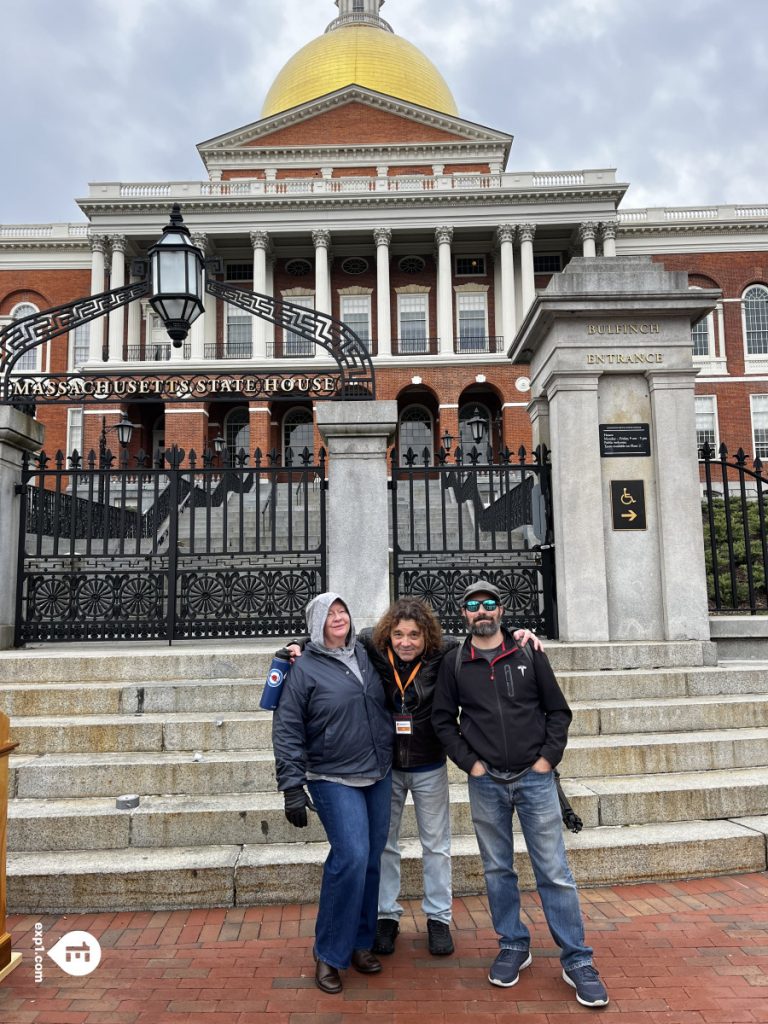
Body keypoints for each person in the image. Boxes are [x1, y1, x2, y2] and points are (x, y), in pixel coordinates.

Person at [287, 595, 541, 959]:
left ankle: (438, 919)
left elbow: (482, 636)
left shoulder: (445, 652)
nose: (406, 642)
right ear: (388, 635)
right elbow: (330, 631)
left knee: (436, 845)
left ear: (427, 638)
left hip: (428, 763)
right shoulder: (370, 647)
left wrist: (516, 633)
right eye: (399, 635)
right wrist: (296, 642)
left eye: (415, 636)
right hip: (385, 766)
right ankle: (385, 916)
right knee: (385, 845)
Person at [431, 580, 609, 1008]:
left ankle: (577, 959)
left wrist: (547, 759)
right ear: (464, 614)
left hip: (535, 778)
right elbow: (442, 720)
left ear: (502, 609)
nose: (482, 611)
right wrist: (471, 764)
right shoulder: (456, 661)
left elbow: (558, 711)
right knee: (497, 869)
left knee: (554, 870)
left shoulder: (529, 652)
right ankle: (513, 944)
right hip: (486, 780)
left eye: (489, 604)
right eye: (473, 606)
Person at [272, 592, 393, 995]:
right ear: (315, 623)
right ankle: (328, 952)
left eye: (343, 611)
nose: (338, 617)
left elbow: (417, 637)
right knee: (351, 857)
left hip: (377, 772)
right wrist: (291, 785)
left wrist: (513, 635)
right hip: (331, 776)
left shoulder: (365, 652)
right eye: (329, 613)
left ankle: (360, 943)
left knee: (371, 860)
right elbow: (287, 728)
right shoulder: (302, 668)